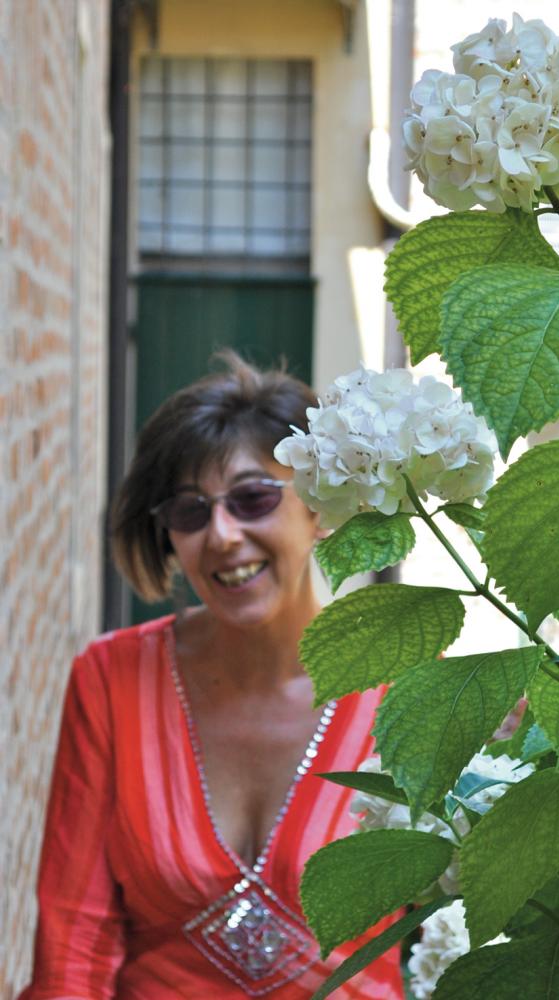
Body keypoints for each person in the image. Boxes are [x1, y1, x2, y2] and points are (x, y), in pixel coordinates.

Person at [18, 354, 404, 999]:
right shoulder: (111, 681)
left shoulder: (408, 691)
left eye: (253, 499)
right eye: (190, 512)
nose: (222, 534)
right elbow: (74, 942)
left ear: (319, 507)